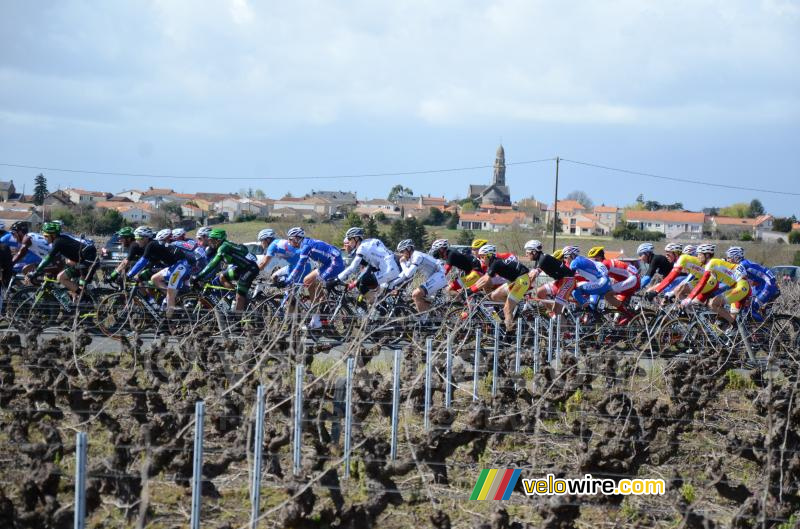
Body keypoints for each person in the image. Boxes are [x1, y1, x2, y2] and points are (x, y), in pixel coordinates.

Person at [127, 227, 195, 317]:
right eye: (135, 239)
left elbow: (142, 261)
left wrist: (129, 274)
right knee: (155, 278)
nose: (136, 241)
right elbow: (149, 263)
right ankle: (175, 297)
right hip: (174, 266)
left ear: (145, 238)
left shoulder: (150, 245)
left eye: (138, 239)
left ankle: (168, 324)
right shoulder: (152, 245)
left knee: (170, 295)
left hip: (181, 265)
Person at [27, 222, 98, 301]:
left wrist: (36, 272)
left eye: (46, 236)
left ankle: (84, 297)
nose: (44, 238)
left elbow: (48, 258)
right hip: (86, 260)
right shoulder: (61, 239)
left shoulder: (58, 242)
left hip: (87, 261)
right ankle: (81, 296)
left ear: (53, 235)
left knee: (61, 277)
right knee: (66, 273)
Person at [682, 244, 750, 326]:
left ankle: (734, 325)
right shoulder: (713, 264)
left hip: (741, 287)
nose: (697, 257)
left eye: (699, 254)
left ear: (707, 255)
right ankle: (731, 326)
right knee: (716, 307)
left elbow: (703, 282)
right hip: (739, 287)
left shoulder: (711, 263)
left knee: (713, 304)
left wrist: (689, 298)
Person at [194, 229, 259, 312]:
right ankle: (235, 297)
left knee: (240, 296)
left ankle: (238, 320)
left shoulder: (223, 247)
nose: (210, 243)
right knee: (222, 276)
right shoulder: (223, 245)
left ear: (218, 240)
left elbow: (213, 263)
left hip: (250, 269)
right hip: (242, 268)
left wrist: (199, 276)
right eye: (209, 240)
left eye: (212, 240)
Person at [329, 227, 400, 303]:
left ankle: (378, 306)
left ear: (356, 238)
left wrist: (337, 279)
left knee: (361, 284)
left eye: (350, 239)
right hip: (391, 267)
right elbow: (371, 265)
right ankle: (382, 303)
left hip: (388, 270)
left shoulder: (362, 248)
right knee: (365, 281)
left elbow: (353, 267)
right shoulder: (370, 241)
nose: (349, 242)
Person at [470, 244, 530, 332]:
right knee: (494, 296)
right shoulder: (494, 263)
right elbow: (483, 278)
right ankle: (512, 310)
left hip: (522, 281)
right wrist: (472, 288)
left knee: (506, 309)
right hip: (514, 281)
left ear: (489, 256)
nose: (481, 259)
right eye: (480, 257)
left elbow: (485, 280)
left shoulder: (495, 263)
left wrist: (470, 290)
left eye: (482, 257)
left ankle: (510, 336)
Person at [390, 239, 447, 316]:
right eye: (400, 252)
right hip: (436, 276)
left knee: (416, 294)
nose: (402, 254)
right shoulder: (411, 258)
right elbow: (403, 275)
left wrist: (402, 263)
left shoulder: (417, 256)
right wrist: (390, 285)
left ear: (409, 249)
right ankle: (433, 317)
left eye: (402, 251)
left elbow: (408, 274)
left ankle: (424, 322)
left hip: (440, 274)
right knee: (419, 298)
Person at [722, 246, 779, 322]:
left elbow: (736, 281)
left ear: (735, 257)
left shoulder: (742, 265)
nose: (728, 260)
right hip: (762, 285)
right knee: (746, 305)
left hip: (768, 285)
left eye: (729, 258)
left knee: (750, 309)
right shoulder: (744, 263)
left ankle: (764, 330)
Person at [646, 244, 717, 301]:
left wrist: (656, 291)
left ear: (676, 254)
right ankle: (689, 315)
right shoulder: (679, 261)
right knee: (678, 290)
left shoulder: (682, 259)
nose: (666, 256)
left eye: (668, 254)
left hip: (710, 280)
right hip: (700, 278)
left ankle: (689, 316)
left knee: (679, 291)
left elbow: (670, 278)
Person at [587, 246, 639, 322]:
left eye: (593, 260)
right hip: (629, 278)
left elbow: (597, 279)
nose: (592, 263)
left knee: (607, 295)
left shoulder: (604, 264)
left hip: (633, 279)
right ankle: (623, 314)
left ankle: (627, 314)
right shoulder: (605, 262)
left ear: (599, 258)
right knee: (608, 293)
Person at [525, 240, 575, 316]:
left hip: (568, 280)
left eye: (527, 252)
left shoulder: (543, 259)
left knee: (557, 310)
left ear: (534, 252)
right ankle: (553, 316)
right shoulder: (540, 259)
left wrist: (524, 288)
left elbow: (534, 275)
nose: (526, 254)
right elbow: (531, 275)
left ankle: (562, 324)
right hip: (560, 280)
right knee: (540, 292)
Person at [561, 246, 611, 313]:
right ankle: (596, 318)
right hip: (605, 282)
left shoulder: (574, 262)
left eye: (565, 257)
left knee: (575, 292)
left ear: (572, 255)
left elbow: (569, 277)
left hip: (601, 283)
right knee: (594, 307)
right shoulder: (582, 258)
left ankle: (586, 309)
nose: (565, 260)